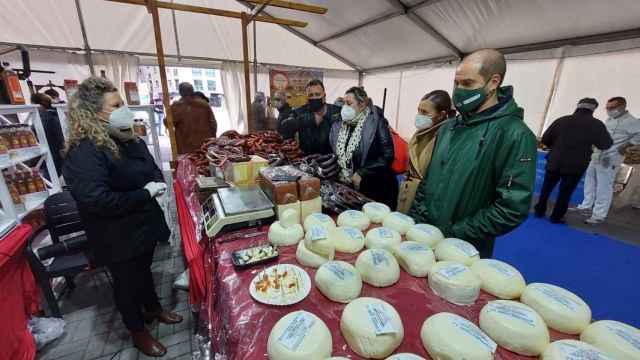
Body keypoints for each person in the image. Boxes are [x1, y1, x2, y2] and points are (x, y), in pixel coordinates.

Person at [63, 77, 181, 357]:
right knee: (126, 283)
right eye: (116, 105)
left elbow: (151, 167)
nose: (124, 110)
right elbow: (96, 199)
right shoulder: (84, 150)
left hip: (143, 225)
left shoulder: (126, 137)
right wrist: (144, 194)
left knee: (144, 270)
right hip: (116, 233)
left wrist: (155, 183)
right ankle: (137, 330)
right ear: (94, 113)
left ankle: (153, 308)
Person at [409, 49, 537, 258]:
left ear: (493, 82)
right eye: (456, 83)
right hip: (424, 238)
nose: (458, 91)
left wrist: (455, 233)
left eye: (468, 84)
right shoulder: (447, 128)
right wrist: (417, 220)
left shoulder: (515, 135)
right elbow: (428, 180)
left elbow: (511, 207)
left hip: (462, 249)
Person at [534, 98, 613, 223]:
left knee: (546, 188)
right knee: (565, 192)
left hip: (555, 160)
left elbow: (545, 139)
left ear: (578, 106)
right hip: (576, 165)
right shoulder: (597, 125)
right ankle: (557, 216)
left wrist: (556, 146)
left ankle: (539, 210)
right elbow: (606, 144)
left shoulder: (562, 120)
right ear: (593, 109)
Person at [329, 87, 397, 209]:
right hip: (349, 188)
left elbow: (388, 156)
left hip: (375, 187)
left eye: (349, 103)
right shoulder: (339, 125)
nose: (344, 107)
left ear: (362, 104)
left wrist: (362, 172)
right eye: (344, 103)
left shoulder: (376, 123)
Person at [576, 97, 640, 224]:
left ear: (622, 107)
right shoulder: (610, 119)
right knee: (590, 180)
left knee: (604, 186)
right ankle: (586, 205)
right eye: (607, 107)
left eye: (612, 108)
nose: (608, 110)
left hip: (611, 158)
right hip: (597, 155)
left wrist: (627, 145)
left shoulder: (632, 121)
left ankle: (599, 214)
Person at [397, 90, 455, 213]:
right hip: (408, 193)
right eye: (418, 110)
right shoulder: (420, 133)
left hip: (423, 202)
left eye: (424, 112)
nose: (419, 115)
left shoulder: (445, 139)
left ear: (441, 115)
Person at [281, 79, 341, 155]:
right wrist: (310, 119)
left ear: (324, 95)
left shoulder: (336, 111)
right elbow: (285, 126)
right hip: (306, 160)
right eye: (311, 95)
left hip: (331, 161)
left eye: (317, 94)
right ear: (307, 98)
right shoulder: (300, 111)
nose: (314, 98)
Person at [168, 82, 217, 155]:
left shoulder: (176, 107)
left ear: (180, 92)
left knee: (187, 165)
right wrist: (213, 140)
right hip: (205, 146)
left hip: (185, 147)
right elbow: (213, 124)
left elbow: (168, 124)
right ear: (193, 91)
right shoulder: (204, 104)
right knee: (205, 164)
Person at [31, 93, 65, 176]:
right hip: (59, 155)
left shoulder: (42, 119)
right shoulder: (56, 115)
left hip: (48, 157)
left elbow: (34, 139)